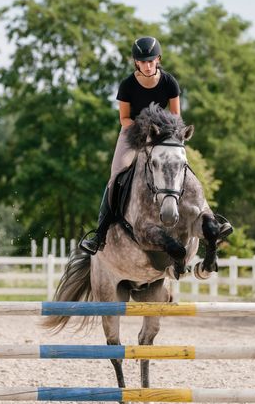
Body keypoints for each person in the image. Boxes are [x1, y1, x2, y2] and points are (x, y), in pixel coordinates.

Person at [79, 36, 232, 255]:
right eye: (143, 62)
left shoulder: (170, 82)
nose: (148, 65)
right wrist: (144, 129)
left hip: (164, 134)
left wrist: (163, 133)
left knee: (181, 167)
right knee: (117, 176)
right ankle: (100, 234)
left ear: (158, 59)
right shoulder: (127, 85)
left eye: (151, 61)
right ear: (136, 63)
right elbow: (124, 118)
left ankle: (209, 216)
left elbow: (176, 115)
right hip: (133, 134)